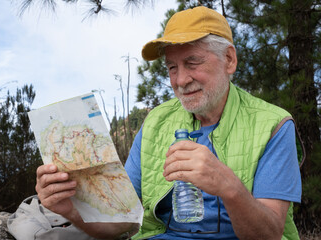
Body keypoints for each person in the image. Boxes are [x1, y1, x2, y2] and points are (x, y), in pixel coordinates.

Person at [35, 6, 302, 240]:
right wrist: (72, 210)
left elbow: (269, 234)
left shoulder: (273, 124)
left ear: (229, 60)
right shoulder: (155, 122)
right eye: (172, 67)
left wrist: (230, 187)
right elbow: (121, 225)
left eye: (192, 62)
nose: (180, 80)